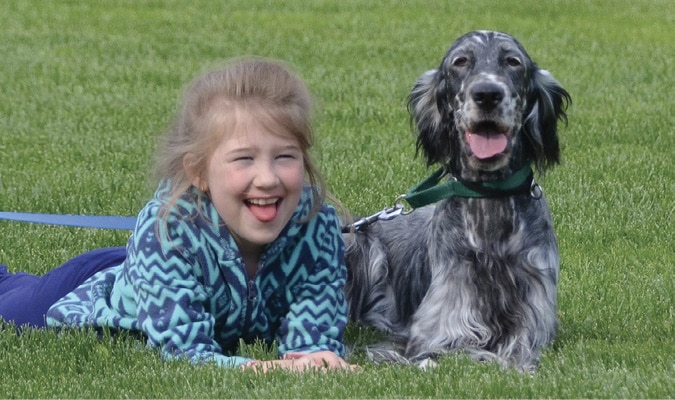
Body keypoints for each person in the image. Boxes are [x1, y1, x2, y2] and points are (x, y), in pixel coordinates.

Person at [0, 58, 354, 372]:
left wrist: (316, 356)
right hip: (93, 287)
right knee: (10, 305)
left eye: (285, 156)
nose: (267, 178)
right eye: (244, 158)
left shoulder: (316, 227)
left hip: (164, 268)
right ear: (198, 172)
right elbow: (185, 354)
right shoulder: (165, 229)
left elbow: (314, 342)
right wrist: (274, 369)